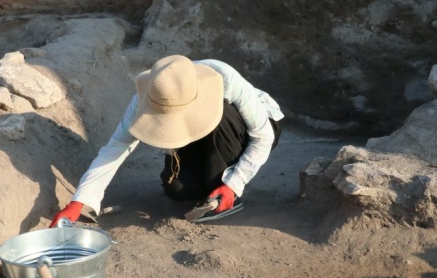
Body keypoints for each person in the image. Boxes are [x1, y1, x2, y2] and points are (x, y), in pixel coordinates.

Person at [50, 54, 284, 226]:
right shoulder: (147, 98)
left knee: (223, 115)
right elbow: (114, 148)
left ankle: (228, 193)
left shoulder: (225, 78)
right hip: (198, 136)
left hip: (249, 128)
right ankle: (215, 184)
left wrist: (235, 183)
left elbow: (263, 137)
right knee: (178, 190)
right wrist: (80, 201)